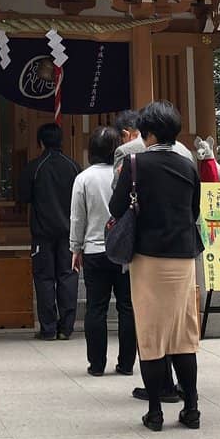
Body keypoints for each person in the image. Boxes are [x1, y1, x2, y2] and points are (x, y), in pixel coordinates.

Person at [109, 100, 203, 432]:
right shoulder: (188, 164)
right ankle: (191, 408)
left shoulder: (135, 164)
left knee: (151, 330)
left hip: (147, 257)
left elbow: (116, 206)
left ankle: (154, 411)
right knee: (183, 332)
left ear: (146, 132)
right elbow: (193, 210)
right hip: (182, 255)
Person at [70, 125, 136, 377]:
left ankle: (96, 364)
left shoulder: (84, 178)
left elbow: (78, 218)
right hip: (125, 250)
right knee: (127, 307)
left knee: (95, 307)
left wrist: (75, 247)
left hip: (94, 248)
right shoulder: (126, 173)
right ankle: (126, 363)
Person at [18, 122, 80, 341]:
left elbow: (23, 197)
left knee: (44, 279)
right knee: (68, 277)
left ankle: (48, 328)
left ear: (40, 142)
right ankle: (67, 328)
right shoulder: (73, 166)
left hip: (42, 233)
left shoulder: (35, 167)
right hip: (69, 232)